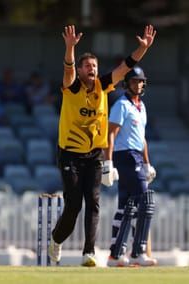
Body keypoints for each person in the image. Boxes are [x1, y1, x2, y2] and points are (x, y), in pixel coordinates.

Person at [48, 24, 156, 267]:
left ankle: (89, 252)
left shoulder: (102, 86)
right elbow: (68, 70)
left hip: (95, 154)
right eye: (88, 66)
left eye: (94, 66)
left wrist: (142, 48)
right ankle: (56, 240)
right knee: (74, 205)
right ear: (81, 70)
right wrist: (70, 49)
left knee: (94, 202)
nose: (92, 70)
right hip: (70, 154)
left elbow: (125, 67)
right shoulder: (71, 87)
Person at [102, 66, 157, 267]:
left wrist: (147, 163)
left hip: (136, 157)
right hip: (124, 156)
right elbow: (111, 134)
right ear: (127, 83)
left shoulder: (141, 107)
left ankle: (116, 255)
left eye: (140, 81)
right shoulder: (121, 105)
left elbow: (142, 139)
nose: (138, 84)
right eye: (134, 81)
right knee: (145, 200)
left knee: (127, 205)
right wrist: (108, 162)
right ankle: (138, 252)